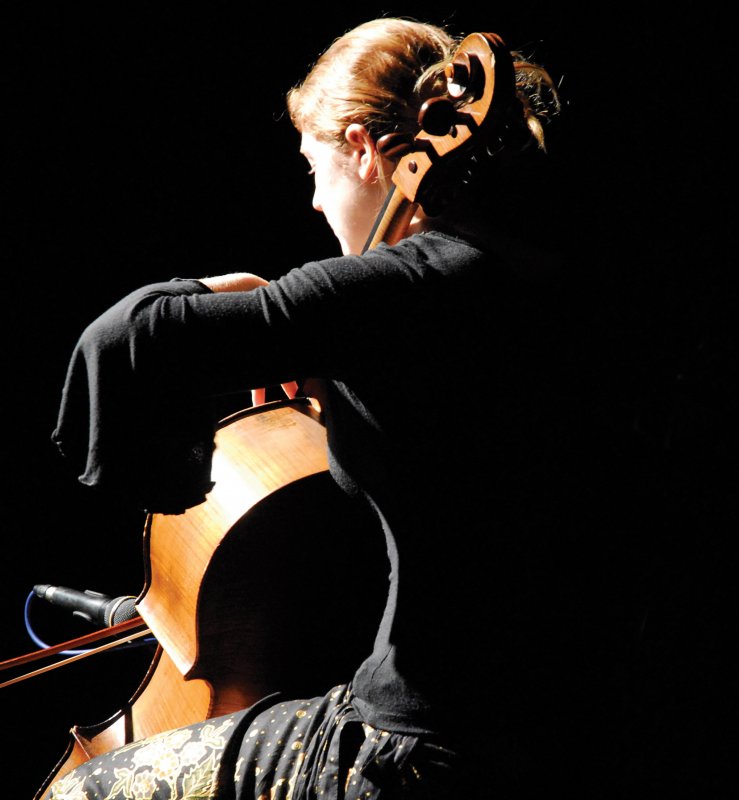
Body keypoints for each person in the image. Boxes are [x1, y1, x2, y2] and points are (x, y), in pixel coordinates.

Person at [45, 16, 639, 799]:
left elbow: (124, 343)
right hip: (582, 738)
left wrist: (226, 302)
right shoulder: (545, 273)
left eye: (314, 168)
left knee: (84, 791)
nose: (318, 205)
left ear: (362, 149)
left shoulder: (397, 290)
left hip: (418, 754)